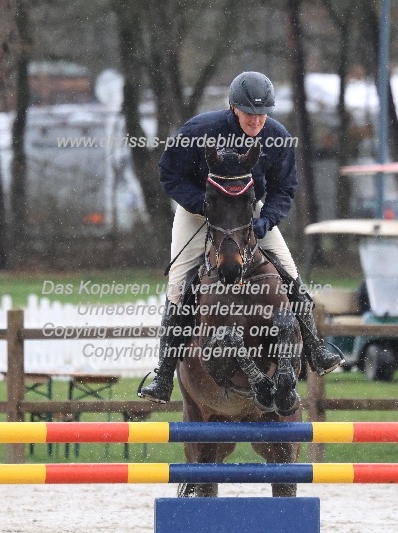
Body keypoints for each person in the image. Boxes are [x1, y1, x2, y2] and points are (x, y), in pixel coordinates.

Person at [138, 71, 342, 403]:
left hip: (247, 213)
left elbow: (284, 189)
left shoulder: (276, 138)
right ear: (234, 108)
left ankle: (316, 350)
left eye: (262, 113)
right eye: (250, 113)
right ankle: (163, 375)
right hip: (199, 212)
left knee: (290, 275)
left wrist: (266, 222)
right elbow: (168, 172)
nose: (257, 120)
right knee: (178, 285)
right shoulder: (200, 131)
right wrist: (199, 204)